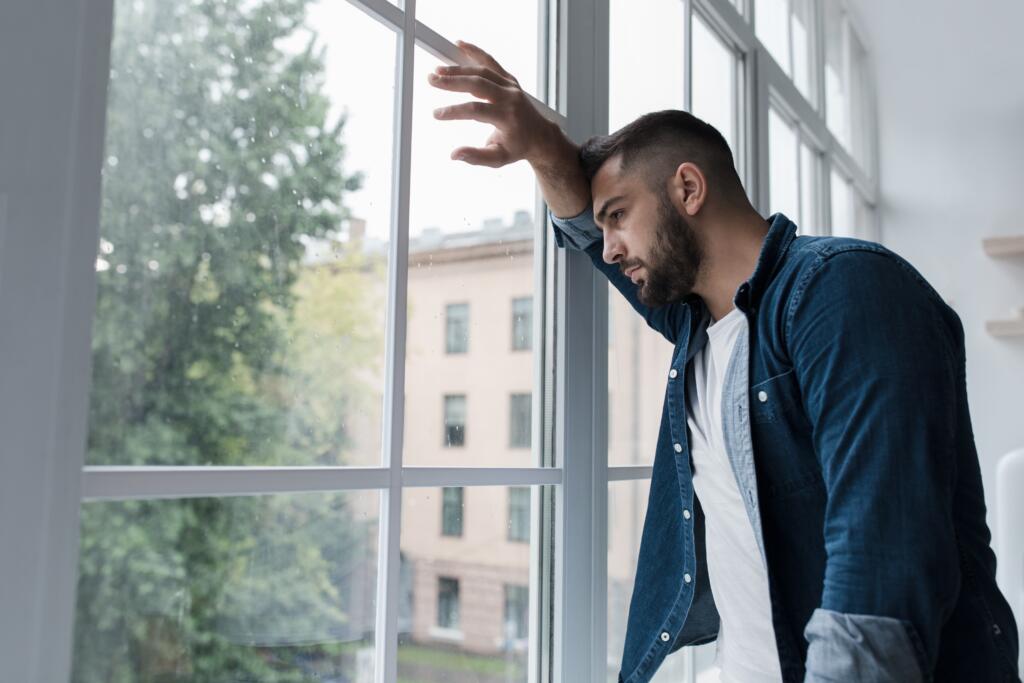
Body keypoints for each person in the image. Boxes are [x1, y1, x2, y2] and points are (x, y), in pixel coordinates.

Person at [427, 40, 1021, 683]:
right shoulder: (699, 325)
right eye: (606, 227)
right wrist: (543, 145)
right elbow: (582, 227)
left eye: (620, 216)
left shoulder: (843, 291)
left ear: (687, 187)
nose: (611, 247)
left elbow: (881, 564)